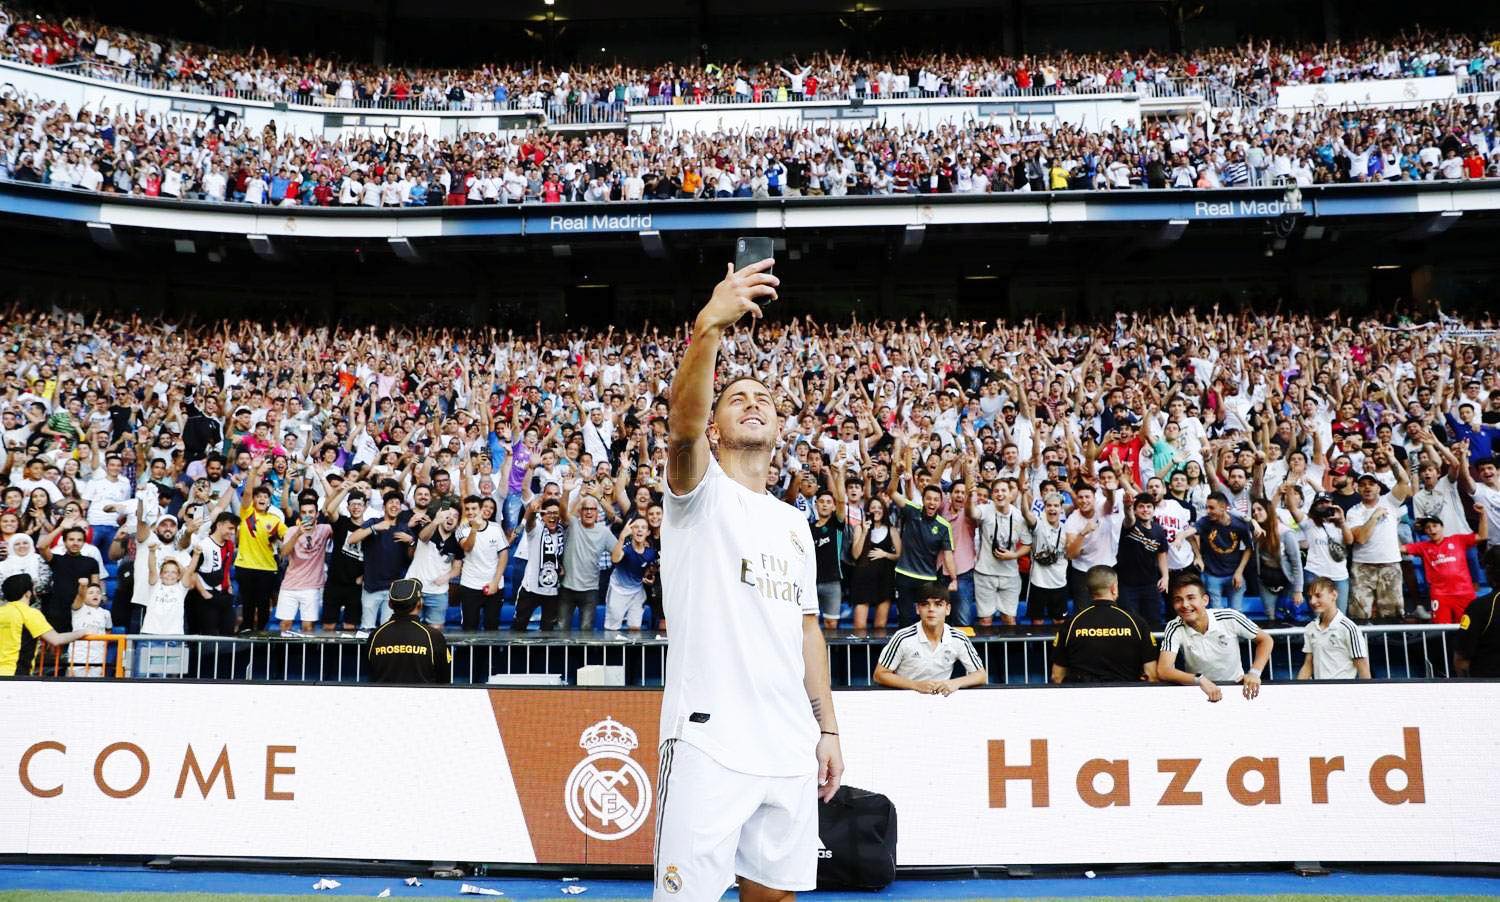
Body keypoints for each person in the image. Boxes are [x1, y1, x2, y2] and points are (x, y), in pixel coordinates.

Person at [657, 259, 841, 902]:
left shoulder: (795, 523)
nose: (754, 402)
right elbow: (681, 426)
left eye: (764, 398)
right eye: (737, 398)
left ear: (780, 428)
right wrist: (709, 325)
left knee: (776, 897)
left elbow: (808, 631)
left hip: (788, 741)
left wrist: (828, 729)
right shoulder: (697, 494)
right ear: (716, 427)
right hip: (708, 739)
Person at [1156, 574, 1273, 702]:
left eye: (1191, 598)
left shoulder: (1229, 616)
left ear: (1205, 600)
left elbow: (1266, 640)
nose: (1185, 604)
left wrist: (1254, 673)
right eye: (1178, 600)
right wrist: (1199, 679)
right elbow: (1163, 670)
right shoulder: (1174, 626)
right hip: (1200, 692)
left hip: (1236, 689)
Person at [1050, 565, 1157, 684]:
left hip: (1083, 693)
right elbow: (1151, 675)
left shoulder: (1071, 624)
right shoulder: (1137, 623)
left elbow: (1056, 676)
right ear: (1114, 588)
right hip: (1125, 693)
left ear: (1088, 590)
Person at [872, 585, 987, 693]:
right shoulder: (902, 637)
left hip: (941, 700)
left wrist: (954, 683)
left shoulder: (959, 638)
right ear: (918, 609)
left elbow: (981, 675)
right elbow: (879, 674)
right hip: (906, 699)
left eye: (938, 604)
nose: (931, 609)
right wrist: (916, 685)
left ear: (948, 609)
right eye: (925, 604)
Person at [1344, 467, 1412, 622]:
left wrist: (1391, 458)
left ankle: (1392, 638)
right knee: (1359, 614)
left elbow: (1404, 480)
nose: (1367, 487)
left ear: (1378, 488)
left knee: (1392, 614)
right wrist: (1374, 517)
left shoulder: (1390, 501)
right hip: (1362, 566)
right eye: (1363, 485)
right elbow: (1361, 538)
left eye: (1371, 484)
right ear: (1357, 489)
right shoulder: (1353, 511)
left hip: (1390, 563)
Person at [366, 577, 451, 684]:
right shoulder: (433, 636)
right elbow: (444, 679)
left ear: (390, 604)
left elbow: (370, 672)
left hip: (384, 694)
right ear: (419, 603)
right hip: (424, 695)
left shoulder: (376, 635)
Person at [1403, 515, 1485, 625]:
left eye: (1434, 526)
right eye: (1427, 527)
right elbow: (1401, 549)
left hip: (1464, 593)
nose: (1432, 529)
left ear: (1442, 527)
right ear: (1425, 531)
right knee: (1441, 629)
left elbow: (1482, 536)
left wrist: (1482, 514)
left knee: (1468, 627)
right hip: (1440, 596)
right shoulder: (1423, 546)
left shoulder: (1458, 539)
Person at [0, 573, 84, 677]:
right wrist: (82, 632)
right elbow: (56, 639)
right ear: (28, 593)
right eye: (33, 589)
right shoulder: (29, 613)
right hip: (16, 675)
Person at [558, 489, 615, 631]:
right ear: (580, 511)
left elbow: (618, 553)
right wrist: (566, 491)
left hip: (590, 590)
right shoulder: (573, 524)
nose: (589, 512)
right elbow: (562, 512)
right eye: (585, 509)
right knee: (561, 629)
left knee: (586, 630)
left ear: (597, 513)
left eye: (592, 509)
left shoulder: (604, 532)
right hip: (567, 588)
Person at [1187, 491, 1254, 612]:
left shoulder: (1239, 525)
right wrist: (1198, 556)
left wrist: (1239, 571)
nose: (1208, 511)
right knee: (1216, 613)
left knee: (1236, 612)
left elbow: (1249, 547)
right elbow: (1190, 534)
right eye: (1207, 507)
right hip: (1212, 575)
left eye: (1211, 508)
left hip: (1234, 573)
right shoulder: (1205, 521)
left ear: (1223, 507)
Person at [277, 497, 333, 635]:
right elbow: (283, 553)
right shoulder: (292, 530)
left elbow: (336, 519)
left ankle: (305, 650)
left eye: (311, 512)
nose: (307, 515)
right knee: (285, 625)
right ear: (300, 514)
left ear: (317, 514)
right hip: (290, 585)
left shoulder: (325, 529)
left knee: (308, 627)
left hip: (312, 586)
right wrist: (298, 533)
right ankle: (283, 649)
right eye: (304, 512)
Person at [1297, 576, 1371, 680]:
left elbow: (1362, 667)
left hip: (1343, 689)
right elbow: (1308, 665)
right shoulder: (1311, 628)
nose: (1312, 601)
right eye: (1310, 597)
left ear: (1334, 595)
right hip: (1319, 689)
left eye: (1318, 595)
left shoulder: (1349, 628)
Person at [512, 496, 566, 631]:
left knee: (548, 630)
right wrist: (531, 512)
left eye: (555, 513)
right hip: (531, 589)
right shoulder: (536, 529)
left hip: (552, 590)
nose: (552, 516)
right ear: (542, 516)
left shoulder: (563, 532)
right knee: (519, 627)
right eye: (549, 513)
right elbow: (530, 523)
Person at [456, 494, 508, 631]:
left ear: (481, 510)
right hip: (470, 585)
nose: (470, 512)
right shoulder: (461, 530)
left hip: (494, 585)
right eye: (467, 509)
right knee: (469, 628)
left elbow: (503, 555)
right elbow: (467, 547)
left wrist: (495, 583)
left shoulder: (496, 528)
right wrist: (474, 528)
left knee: (492, 627)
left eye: (474, 508)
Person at [847, 497, 897, 634]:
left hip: (884, 580)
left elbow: (899, 555)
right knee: (859, 627)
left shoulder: (891, 530)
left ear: (884, 510)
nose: (876, 510)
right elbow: (855, 554)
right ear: (867, 510)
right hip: (862, 580)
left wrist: (885, 554)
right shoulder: (859, 528)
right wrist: (865, 531)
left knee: (880, 626)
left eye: (879, 507)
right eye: (873, 507)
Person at [188, 512, 240, 636]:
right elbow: (191, 572)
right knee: (209, 635)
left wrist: (229, 586)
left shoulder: (230, 545)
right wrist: (205, 594)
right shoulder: (203, 545)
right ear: (219, 525)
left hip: (224, 594)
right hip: (205, 595)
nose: (233, 532)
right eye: (230, 528)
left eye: (234, 529)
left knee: (228, 632)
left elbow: (226, 567)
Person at [1454, 547, 1500, 677]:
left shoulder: (1480, 606)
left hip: (1488, 683)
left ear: (1489, 571)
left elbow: (1461, 659)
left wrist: (1466, 684)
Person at [606, 517, 657, 632]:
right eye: (636, 527)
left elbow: (648, 571)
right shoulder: (625, 548)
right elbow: (615, 559)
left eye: (643, 527)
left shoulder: (651, 553)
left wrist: (650, 578)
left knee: (635, 627)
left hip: (637, 592)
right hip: (618, 590)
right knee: (612, 628)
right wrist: (622, 537)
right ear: (631, 531)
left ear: (648, 532)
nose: (639, 530)